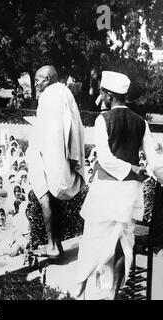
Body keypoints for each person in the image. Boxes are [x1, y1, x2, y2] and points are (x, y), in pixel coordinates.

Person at [75, 71, 163, 300]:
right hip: (129, 193)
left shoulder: (103, 119)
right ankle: (113, 294)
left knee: (94, 239)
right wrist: (147, 172)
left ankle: (81, 288)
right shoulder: (141, 122)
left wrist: (131, 169)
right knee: (122, 242)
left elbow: (105, 159)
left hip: (106, 189)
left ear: (107, 94)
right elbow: (155, 162)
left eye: (102, 92)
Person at [25, 65, 85, 259]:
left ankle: (52, 247)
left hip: (47, 156)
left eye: (38, 80)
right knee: (53, 200)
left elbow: (49, 134)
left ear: (48, 79)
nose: (36, 84)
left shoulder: (49, 96)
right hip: (59, 158)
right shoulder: (64, 93)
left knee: (45, 199)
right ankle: (55, 244)